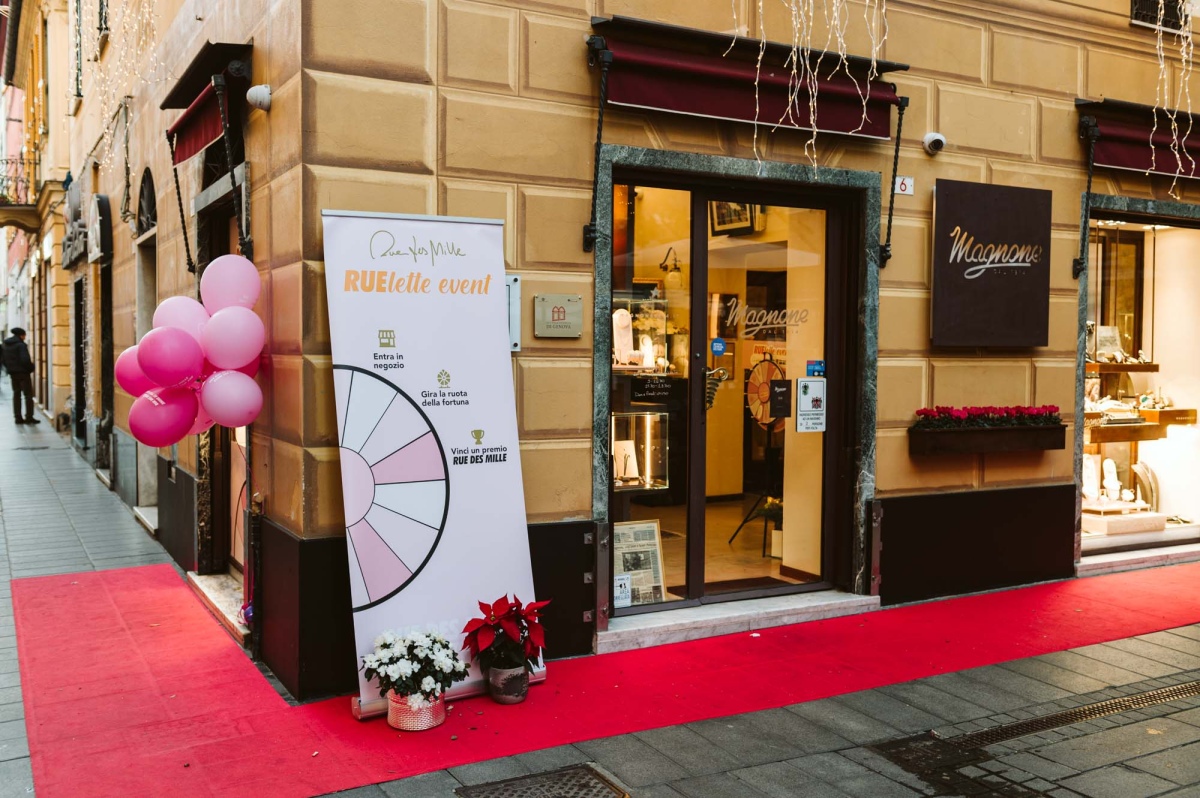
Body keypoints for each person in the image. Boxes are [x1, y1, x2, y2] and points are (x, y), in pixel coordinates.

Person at [1, 327, 39, 425]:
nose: (25, 337)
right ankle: (29, 417)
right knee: (28, 395)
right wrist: (31, 367)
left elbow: (3, 360)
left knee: (16, 394)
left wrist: (10, 369)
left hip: (13, 374)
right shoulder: (21, 345)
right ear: (21, 335)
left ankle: (18, 418)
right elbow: (25, 360)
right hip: (23, 374)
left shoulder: (6, 345)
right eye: (24, 335)